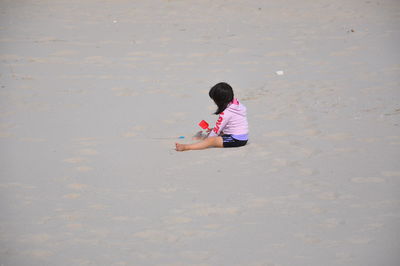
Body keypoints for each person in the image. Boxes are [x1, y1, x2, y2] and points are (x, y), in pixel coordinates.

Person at [175, 82, 249, 151]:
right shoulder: (237, 105)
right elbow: (233, 124)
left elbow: (216, 130)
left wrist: (208, 138)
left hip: (236, 139)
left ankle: (186, 147)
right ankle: (201, 138)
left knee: (211, 140)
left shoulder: (226, 113)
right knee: (215, 133)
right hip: (243, 136)